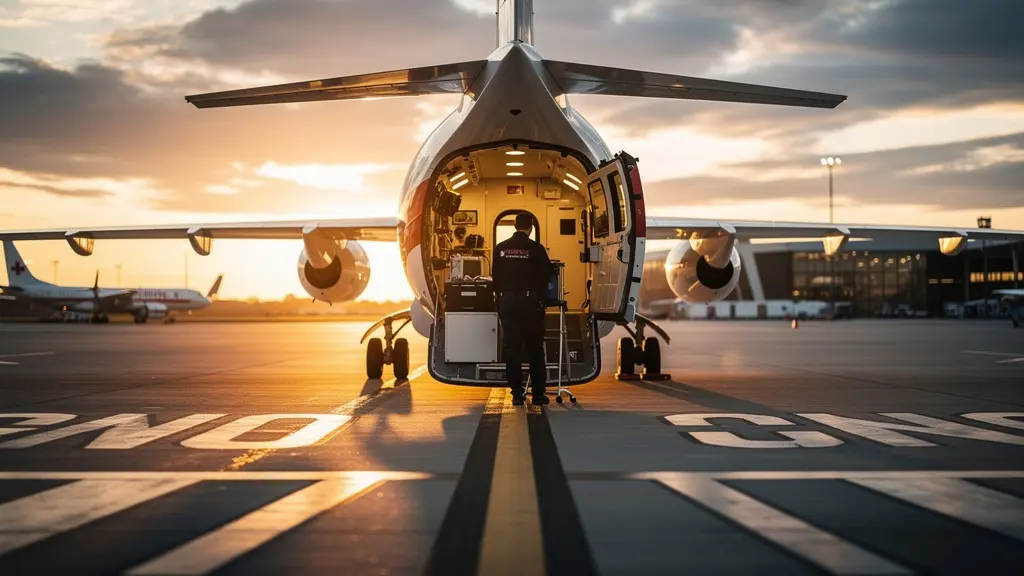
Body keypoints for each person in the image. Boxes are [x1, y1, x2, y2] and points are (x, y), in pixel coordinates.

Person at [492, 212, 554, 405]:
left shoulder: (500, 248)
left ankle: (517, 394)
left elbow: (495, 275)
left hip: (507, 301)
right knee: (534, 347)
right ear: (531, 227)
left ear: (515, 226)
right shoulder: (535, 248)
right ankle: (538, 394)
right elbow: (548, 273)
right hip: (528, 302)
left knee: (512, 348)